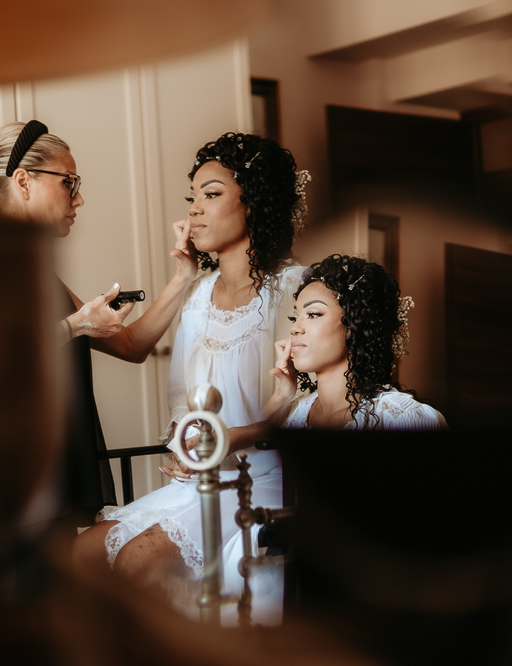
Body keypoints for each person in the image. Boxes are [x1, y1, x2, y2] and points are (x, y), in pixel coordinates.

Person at [73, 132, 308, 587]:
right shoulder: (198, 294)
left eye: (212, 194)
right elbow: (188, 405)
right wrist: (188, 447)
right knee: (80, 554)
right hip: (202, 483)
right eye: (192, 197)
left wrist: (227, 442)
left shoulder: (297, 289)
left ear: (254, 203)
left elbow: (312, 409)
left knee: (137, 563)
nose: (193, 210)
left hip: (268, 484)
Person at [0, 120, 198, 526]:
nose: (80, 198)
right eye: (69, 182)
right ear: (23, 181)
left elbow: (131, 346)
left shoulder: (38, 273)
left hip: (61, 460)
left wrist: (184, 278)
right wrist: (76, 325)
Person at [272, 253, 447, 431]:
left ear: (355, 325)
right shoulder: (287, 415)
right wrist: (280, 395)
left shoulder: (403, 418)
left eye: (313, 314)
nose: (295, 328)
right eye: (294, 317)